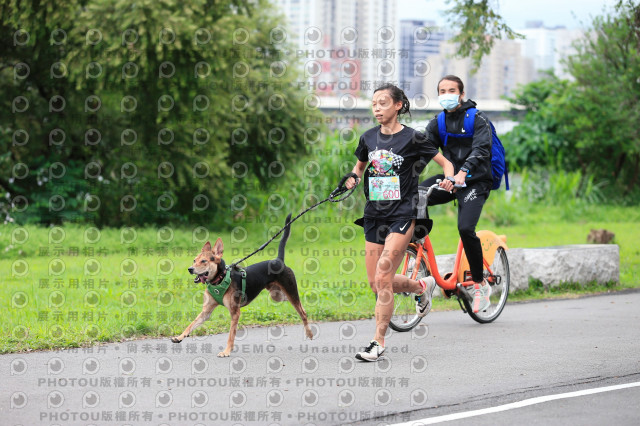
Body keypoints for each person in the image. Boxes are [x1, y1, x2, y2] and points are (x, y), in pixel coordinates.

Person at [345, 83, 454, 362]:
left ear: (397, 105)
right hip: (374, 214)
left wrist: (449, 179)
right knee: (376, 283)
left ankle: (377, 342)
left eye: (383, 103)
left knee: (383, 275)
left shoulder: (414, 138)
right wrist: (351, 180)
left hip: (402, 213)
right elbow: (359, 168)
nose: (377, 108)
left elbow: (445, 163)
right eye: (373, 104)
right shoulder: (368, 138)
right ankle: (421, 287)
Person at [420, 74, 493, 315]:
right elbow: (423, 152)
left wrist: (462, 173)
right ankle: (418, 254)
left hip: (475, 181)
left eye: (452, 90)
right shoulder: (437, 123)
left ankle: (481, 284)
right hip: (451, 179)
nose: (446, 94)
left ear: (461, 94)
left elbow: (482, 150)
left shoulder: (478, 119)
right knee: (416, 194)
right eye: (442, 91)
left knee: (465, 228)